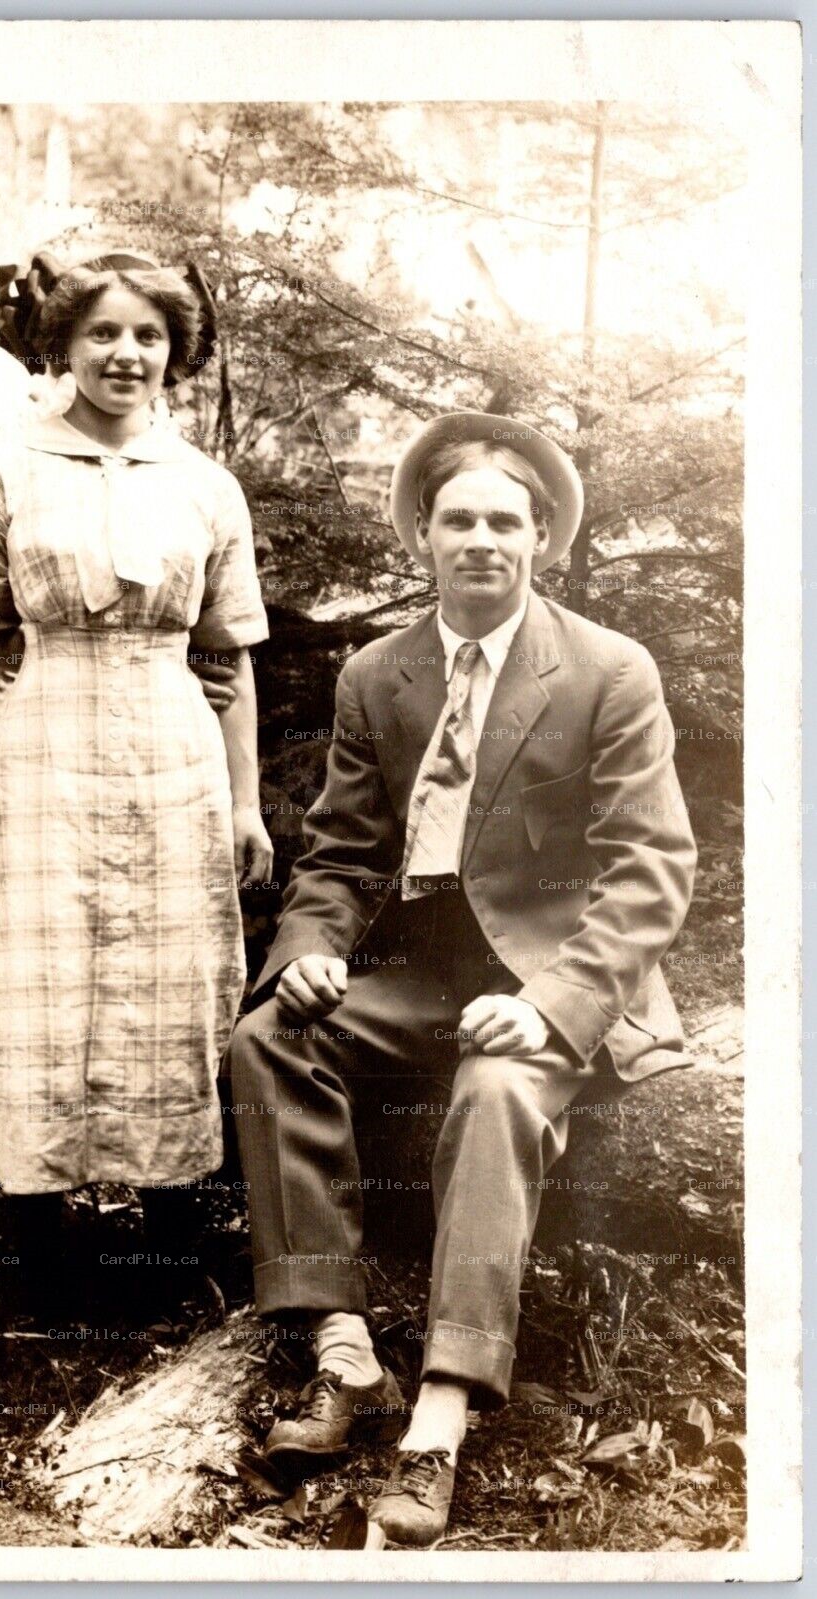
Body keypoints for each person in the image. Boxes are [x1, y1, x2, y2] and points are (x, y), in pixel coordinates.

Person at [228, 411, 696, 1545]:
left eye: (506, 521)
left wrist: (549, 1006)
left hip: (554, 961)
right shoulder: (378, 675)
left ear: (544, 540)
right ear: (423, 541)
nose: (481, 540)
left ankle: (438, 1415)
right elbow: (340, 851)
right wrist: (310, 950)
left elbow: (651, 867)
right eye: (458, 521)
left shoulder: (606, 670)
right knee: (267, 1040)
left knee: (494, 1085)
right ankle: (343, 1351)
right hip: (421, 959)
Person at [0, 246, 272, 1272]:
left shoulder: (206, 487)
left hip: (175, 749)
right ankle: (38, 1230)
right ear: (65, 346)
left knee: (174, 966)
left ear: (176, 352)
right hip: (46, 750)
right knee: (38, 968)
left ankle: (170, 1231)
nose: (127, 354)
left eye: (149, 335)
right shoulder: (5, 471)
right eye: (104, 333)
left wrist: (246, 806)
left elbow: (229, 658)